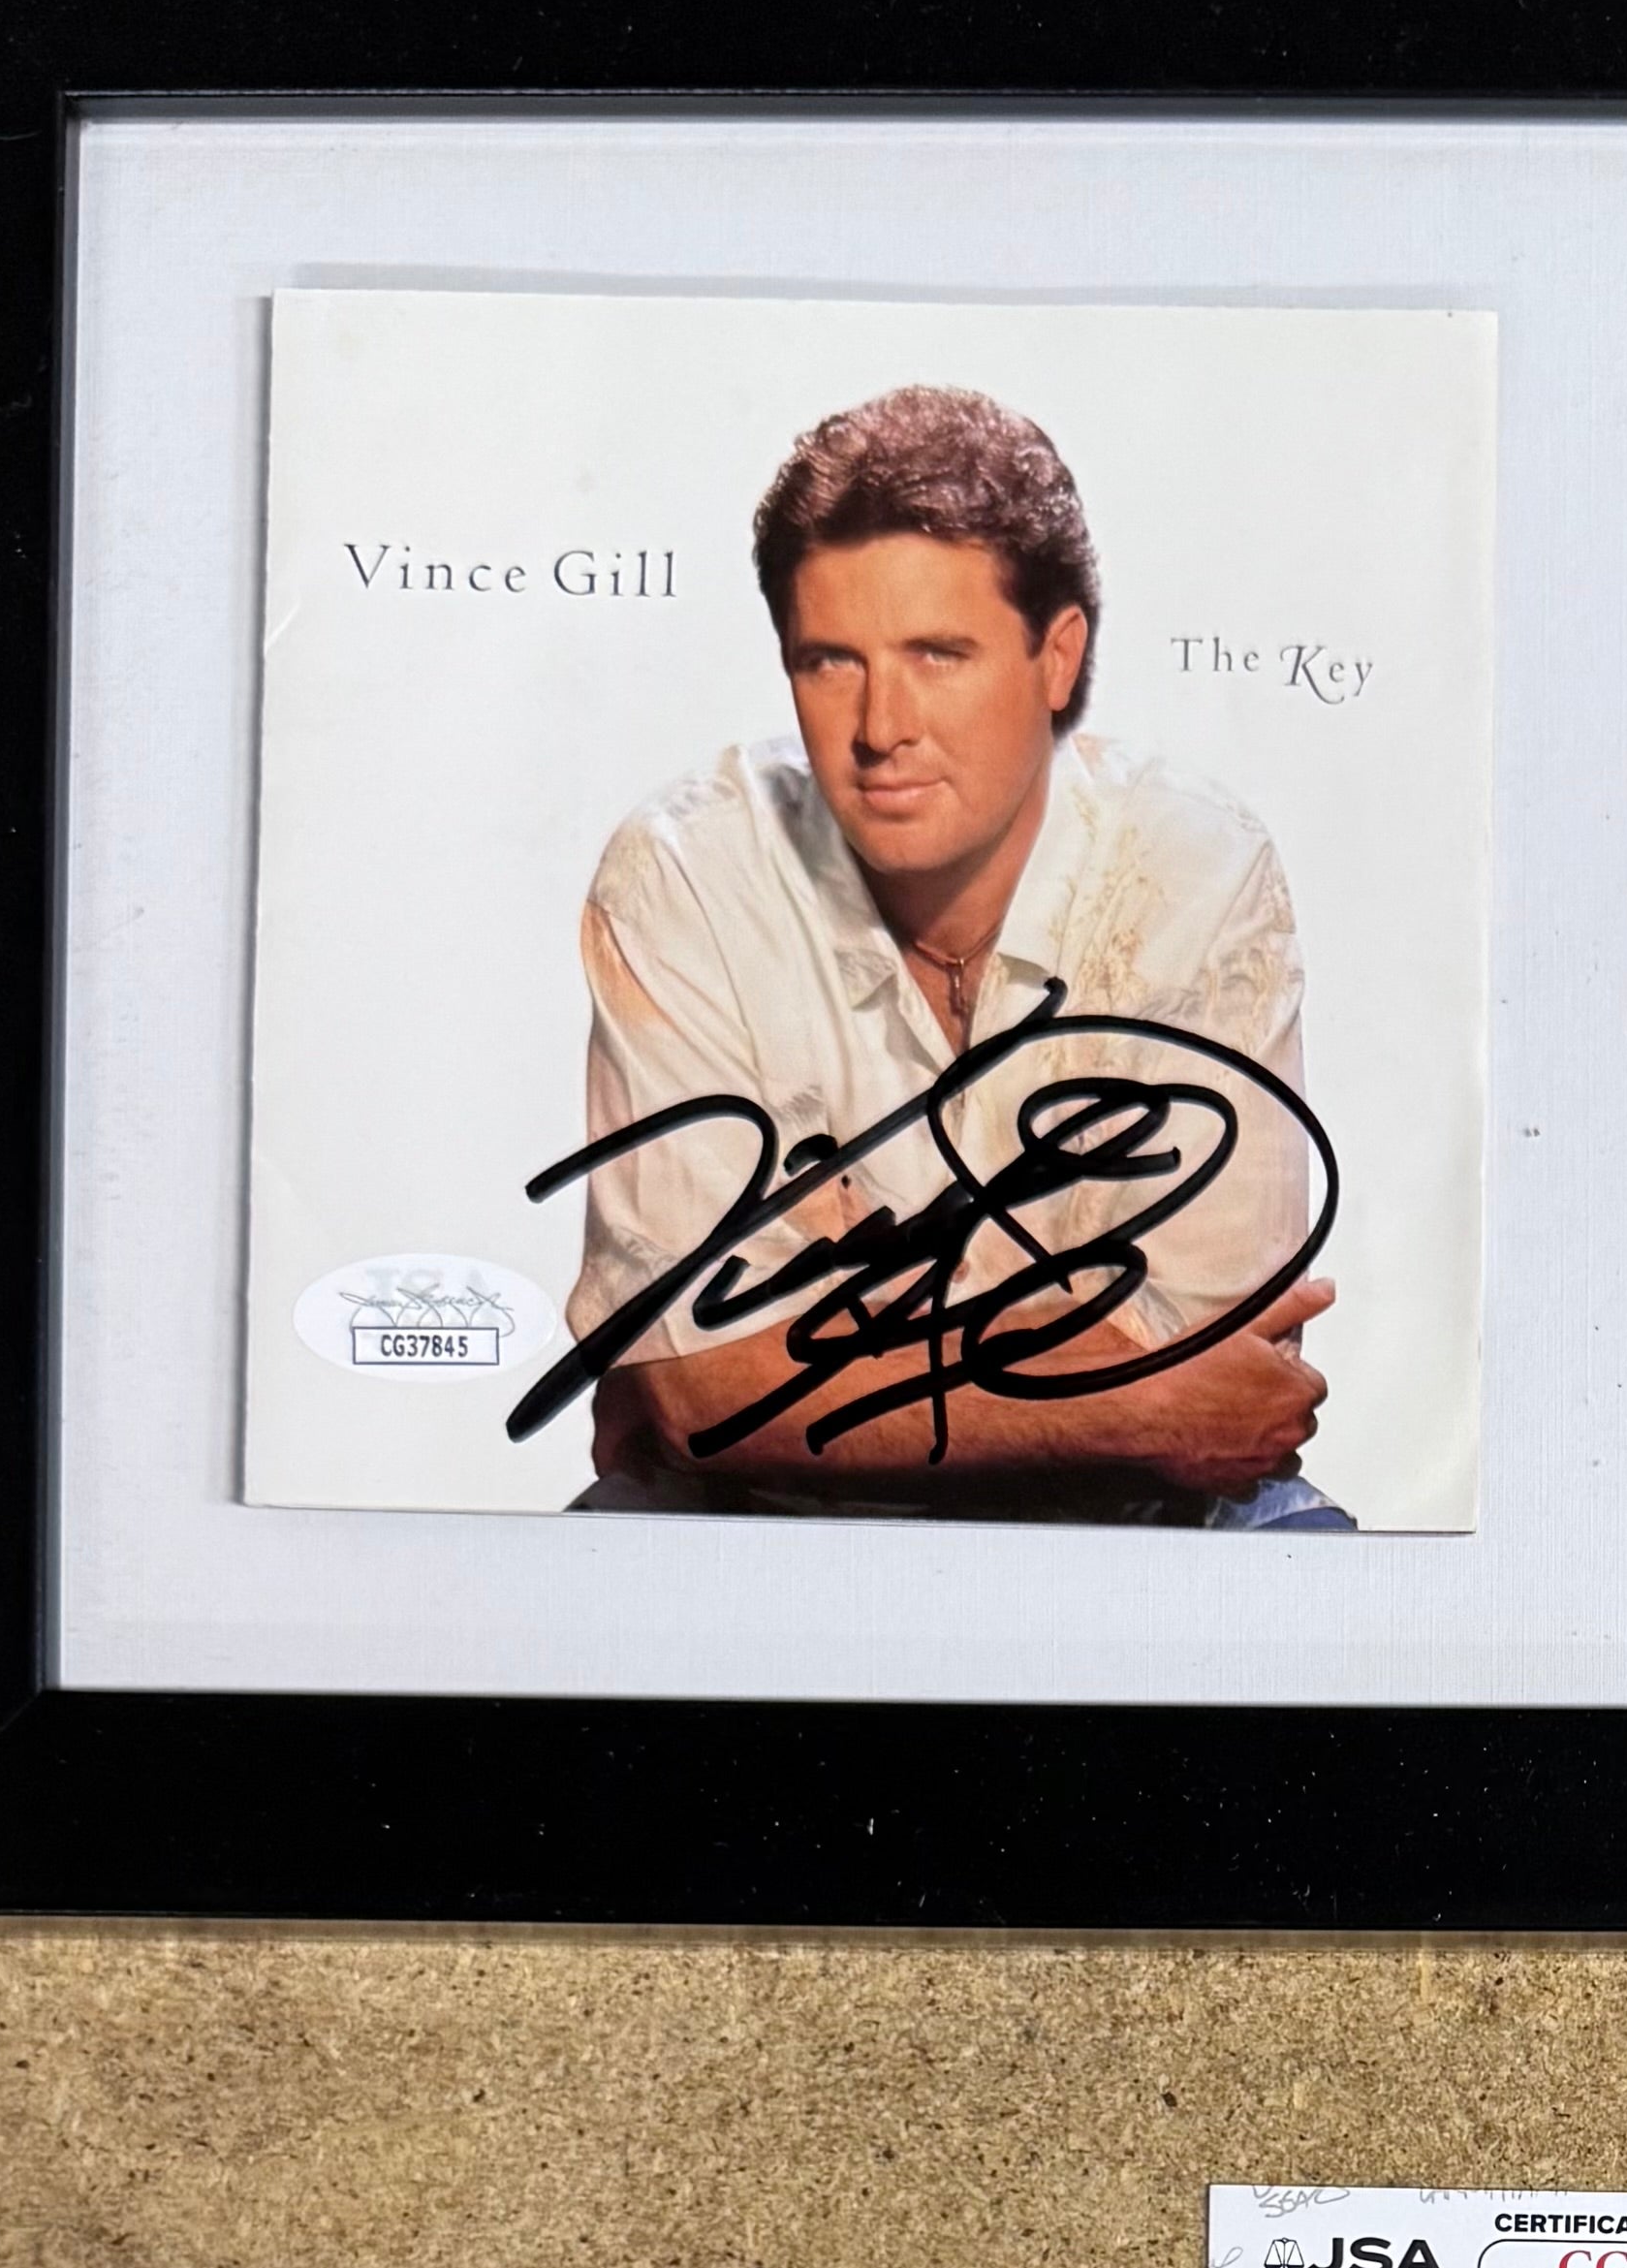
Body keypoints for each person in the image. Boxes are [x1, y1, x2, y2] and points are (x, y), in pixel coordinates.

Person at [558, 382, 1345, 1523]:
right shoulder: (688, 870)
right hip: (766, 1521)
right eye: (831, 661)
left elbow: (1221, 1359)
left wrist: (803, 1357)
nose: (882, 728)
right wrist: (1129, 1398)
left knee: (1307, 1563)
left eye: (938, 654)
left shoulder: (1192, 868)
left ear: (1057, 658)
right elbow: (700, 1396)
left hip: (1135, 1521)